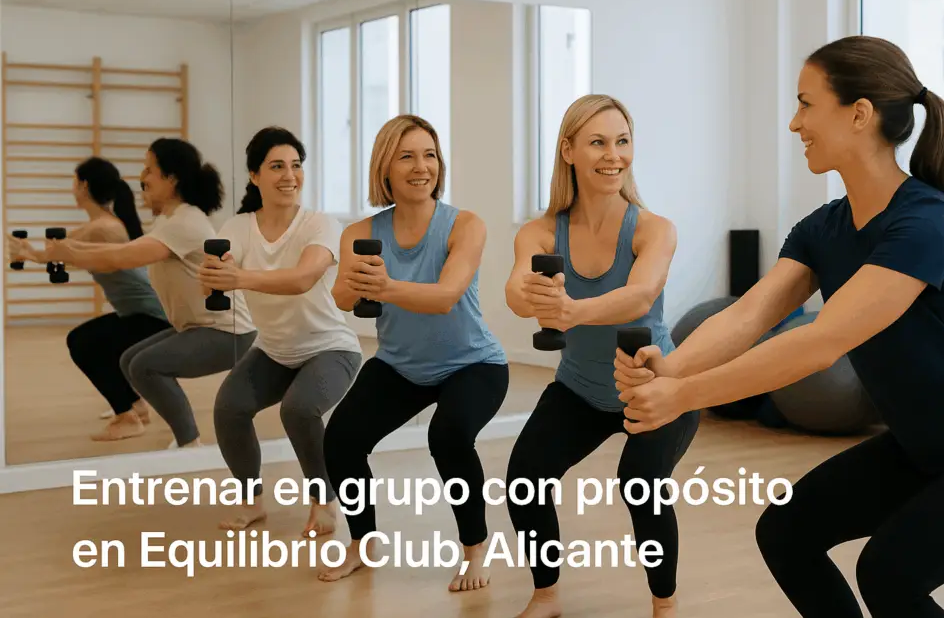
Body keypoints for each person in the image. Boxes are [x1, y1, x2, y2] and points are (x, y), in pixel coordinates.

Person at [614, 35, 944, 618]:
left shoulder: (924, 220)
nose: (793, 122)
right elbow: (750, 314)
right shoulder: (823, 228)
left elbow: (821, 341)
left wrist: (683, 396)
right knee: (787, 532)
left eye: (806, 104)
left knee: (888, 574)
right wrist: (671, 365)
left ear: (859, 114)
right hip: (922, 444)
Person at [503, 94, 694, 618]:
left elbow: (638, 296)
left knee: (641, 482)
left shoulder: (654, 229)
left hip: (654, 387)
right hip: (581, 388)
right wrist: (533, 299)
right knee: (524, 477)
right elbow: (516, 290)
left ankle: (666, 606)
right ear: (568, 151)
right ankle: (545, 596)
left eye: (622, 141)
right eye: (598, 142)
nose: (614, 155)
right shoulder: (542, 231)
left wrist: (569, 311)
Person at [318, 114, 509, 591]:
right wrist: (356, 281)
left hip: (474, 363)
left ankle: (474, 549)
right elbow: (342, 299)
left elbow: (445, 296)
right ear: (385, 167)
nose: (421, 166)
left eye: (429, 155)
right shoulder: (361, 231)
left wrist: (386, 285)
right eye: (406, 156)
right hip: (401, 365)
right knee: (341, 439)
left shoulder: (464, 225)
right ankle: (363, 544)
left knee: (448, 435)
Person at [197, 126, 362, 537]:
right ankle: (251, 502)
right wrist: (211, 276)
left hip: (330, 349)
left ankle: (324, 502)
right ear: (255, 176)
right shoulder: (237, 228)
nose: (290, 175)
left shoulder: (321, 224)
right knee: (229, 408)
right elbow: (215, 281)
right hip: (274, 350)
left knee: (299, 409)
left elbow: (303, 278)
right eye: (277, 166)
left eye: (296, 165)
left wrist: (239, 278)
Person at [45, 138, 257, 449]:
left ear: (171, 179)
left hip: (227, 333)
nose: (142, 177)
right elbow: (120, 250)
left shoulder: (184, 222)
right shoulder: (168, 219)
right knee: (131, 359)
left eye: (149, 169)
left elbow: (120, 257)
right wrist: (68, 250)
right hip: (199, 327)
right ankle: (185, 440)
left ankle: (189, 444)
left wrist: (69, 251)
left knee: (144, 365)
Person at [7, 157, 171, 441]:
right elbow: (65, 250)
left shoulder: (104, 228)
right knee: (102, 343)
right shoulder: (101, 225)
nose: (72, 189)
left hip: (155, 317)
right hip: (139, 314)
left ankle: (127, 416)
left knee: (82, 342)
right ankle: (136, 406)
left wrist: (32, 253)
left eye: (74, 182)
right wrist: (29, 252)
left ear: (84, 185)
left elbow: (66, 250)